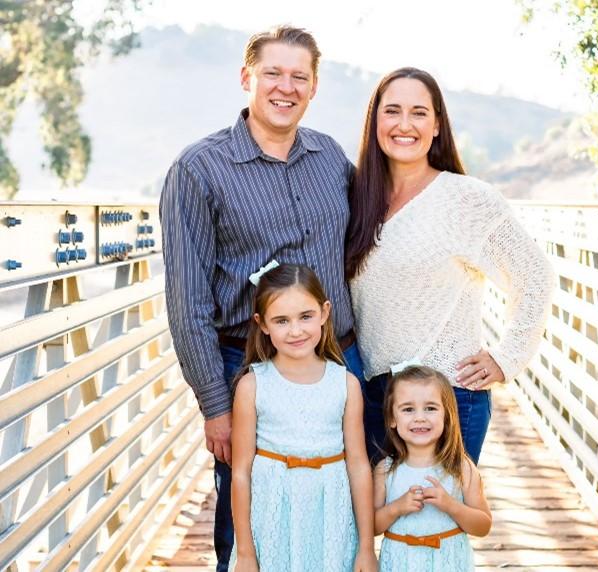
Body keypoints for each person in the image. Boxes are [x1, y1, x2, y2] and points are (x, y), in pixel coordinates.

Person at [160, 26, 364, 570]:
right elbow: (187, 301)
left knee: (348, 499)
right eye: (273, 73)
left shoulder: (330, 158)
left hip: (339, 357)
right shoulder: (197, 170)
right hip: (246, 365)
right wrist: (215, 404)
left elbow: (374, 236)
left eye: (300, 76)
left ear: (314, 87)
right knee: (246, 509)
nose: (285, 87)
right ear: (247, 77)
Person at [346, 68, 554, 465]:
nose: (404, 125)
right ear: (375, 121)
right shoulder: (357, 197)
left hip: (446, 397)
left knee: (433, 526)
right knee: (380, 523)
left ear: (438, 124)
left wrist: (506, 357)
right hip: (375, 397)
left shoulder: (466, 199)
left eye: (419, 113)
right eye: (392, 111)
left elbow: (535, 277)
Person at [229, 263, 376, 572]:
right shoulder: (252, 385)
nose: (295, 330)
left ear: (324, 313)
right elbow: (241, 472)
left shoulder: (345, 384)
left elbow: (359, 466)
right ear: (263, 324)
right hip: (273, 515)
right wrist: (244, 552)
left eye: (305, 317)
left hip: (329, 516)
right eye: (281, 320)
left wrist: (365, 546)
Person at [374, 366, 491, 571]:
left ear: (447, 416)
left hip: (448, 563)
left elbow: (483, 526)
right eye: (408, 409)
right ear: (392, 418)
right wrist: (396, 508)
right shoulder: (385, 470)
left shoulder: (461, 467)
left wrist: (451, 505)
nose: (420, 417)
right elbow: (370, 527)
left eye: (430, 408)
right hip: (401, 563)